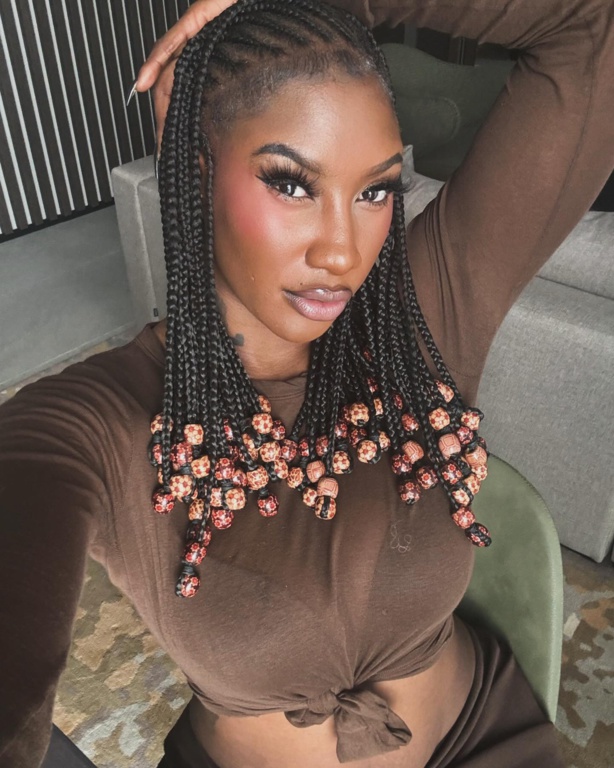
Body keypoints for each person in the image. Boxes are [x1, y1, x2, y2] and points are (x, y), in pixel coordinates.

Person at [0, 0, 612, 767]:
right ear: (197, 171)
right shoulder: (93, 421)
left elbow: (594, 35)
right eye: (292, 185)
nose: (342, 252)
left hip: (486, 739)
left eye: (375, 191)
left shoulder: (419, 323)